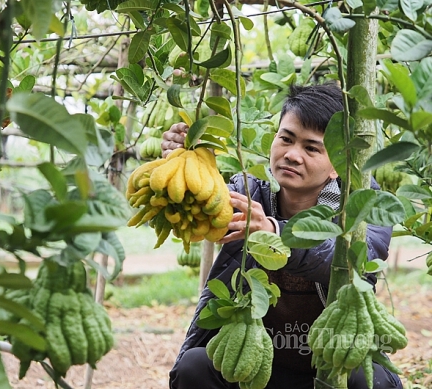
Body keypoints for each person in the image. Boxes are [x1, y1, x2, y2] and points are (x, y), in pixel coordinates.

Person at [162, 83, 403, 389]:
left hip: (332, 364)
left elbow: (357, 257)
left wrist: (277, 233)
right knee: (194, 366)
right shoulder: (249, 192)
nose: (292, 155)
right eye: (286, 139)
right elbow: (207, 209)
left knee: (369, 380)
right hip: (254, 362)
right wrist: (181, 165)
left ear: (338, 164)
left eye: (311, 148)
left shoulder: (364, 203)